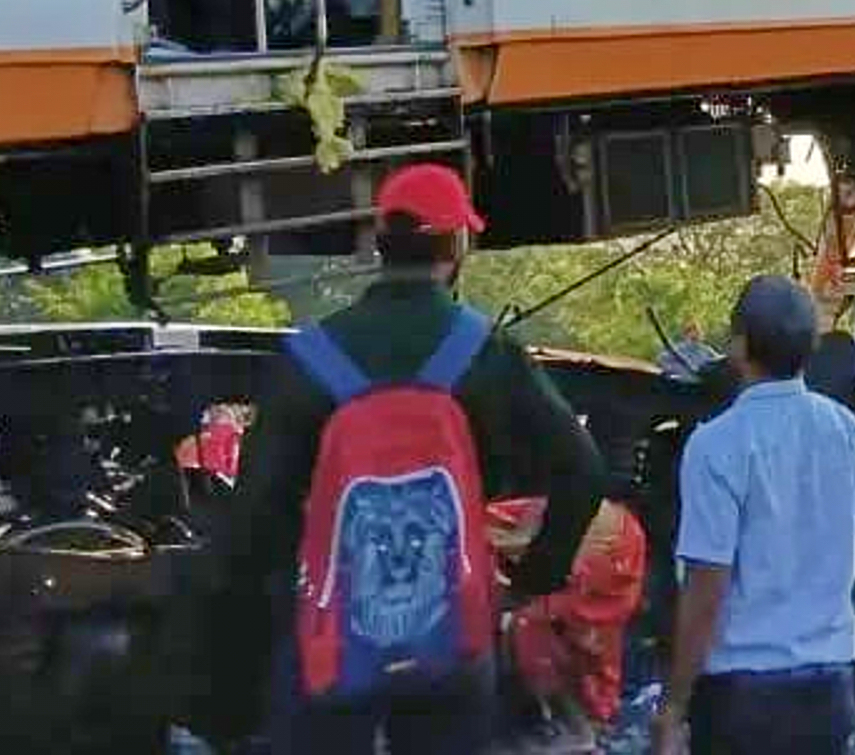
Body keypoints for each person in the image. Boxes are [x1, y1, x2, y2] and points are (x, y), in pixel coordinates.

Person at [203, 163, 607, 755]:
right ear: (458, 245)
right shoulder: (488, 354)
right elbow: (584, 470)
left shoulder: (309, 358)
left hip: (329, 638)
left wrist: (272, 606)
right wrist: (529, 580)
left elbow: (254, 516)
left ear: (378, 240)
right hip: (453, 638)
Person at [651, 276, 855, 755]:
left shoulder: (715, 444)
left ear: (739, 346)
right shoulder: (848, 431)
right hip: (829, 689)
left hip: (740, 698)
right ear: (812, 347)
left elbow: (707, 585)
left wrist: (675, 705)